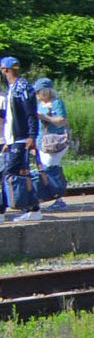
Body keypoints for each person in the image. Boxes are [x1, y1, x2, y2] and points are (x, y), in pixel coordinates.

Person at [1, 57, 42, 222]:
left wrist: (32, 136)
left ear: (5, 70)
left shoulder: (22, 87)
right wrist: (8, 142)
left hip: (22, 138)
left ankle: (1, 212)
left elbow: (31, 113)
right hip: (14, 140)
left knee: (7, 174)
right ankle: (34, 209)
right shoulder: (13, 88)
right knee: (19, 175)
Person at [33, 78, 70, 211]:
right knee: (46, 169)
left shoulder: (57, 103)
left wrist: (44, 118)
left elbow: (62, 121)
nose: (36, 95)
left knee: (51, 168)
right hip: (43, 142)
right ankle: (53, 196)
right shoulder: (39, 105)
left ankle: (58, 198)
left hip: (56, 142)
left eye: (37, 92)